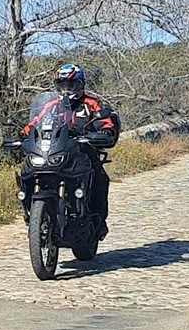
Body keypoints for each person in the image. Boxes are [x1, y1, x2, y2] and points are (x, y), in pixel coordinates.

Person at [21, 64, 119, 239]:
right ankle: (31, 211)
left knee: (99, 178)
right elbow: (35, 123)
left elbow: (106, 121)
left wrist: (105, 132)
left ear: (80, 84)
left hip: (83, 153)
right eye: (62, 85)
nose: (66, 89)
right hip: (55, 151)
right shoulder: (51, 105)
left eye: (71, 85)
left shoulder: (91, 103)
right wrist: (23, 134)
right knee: (27, 172)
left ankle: (98, 221)